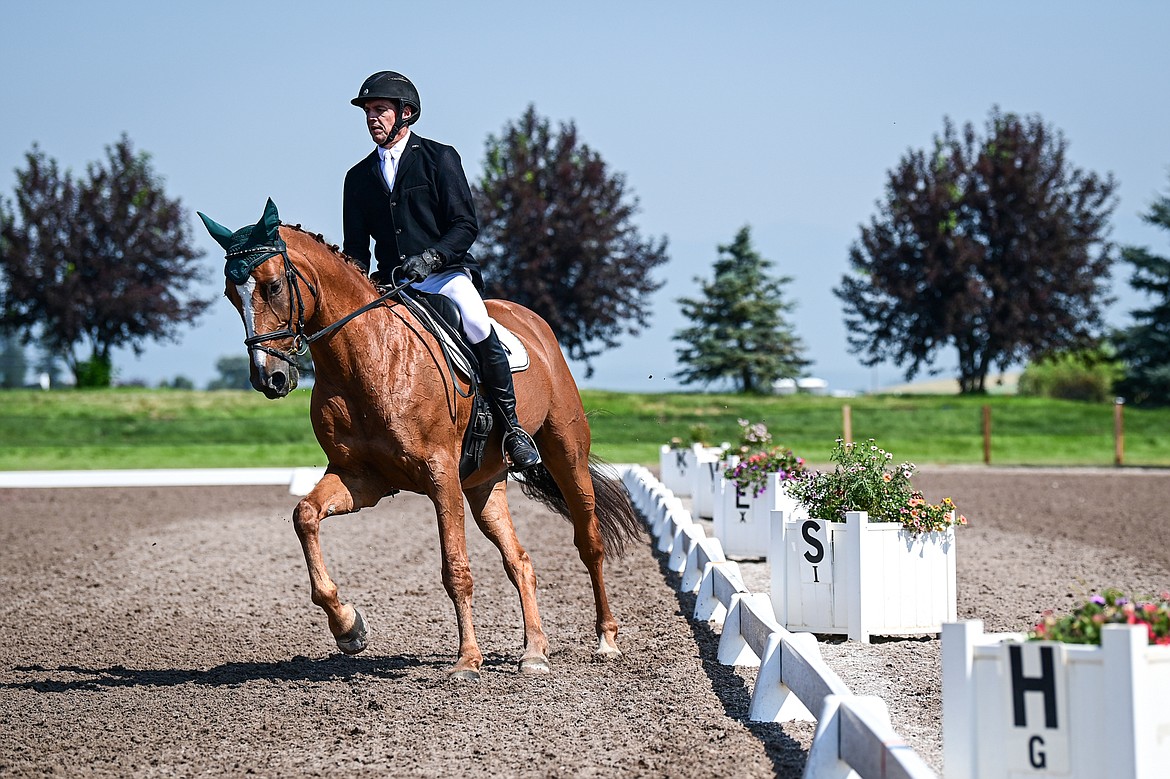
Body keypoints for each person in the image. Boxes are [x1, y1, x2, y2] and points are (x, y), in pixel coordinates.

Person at [343, 70, 541, 472]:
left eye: (380, 110)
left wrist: (433, 258)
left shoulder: (438, 157)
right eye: (368, 111)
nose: (372, 118)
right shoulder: (357, 177)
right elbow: (355, 252)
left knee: (475, 321)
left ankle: (513, 428)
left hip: (445, 274)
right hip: (394, 283)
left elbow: (465, 224)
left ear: (406, 113)